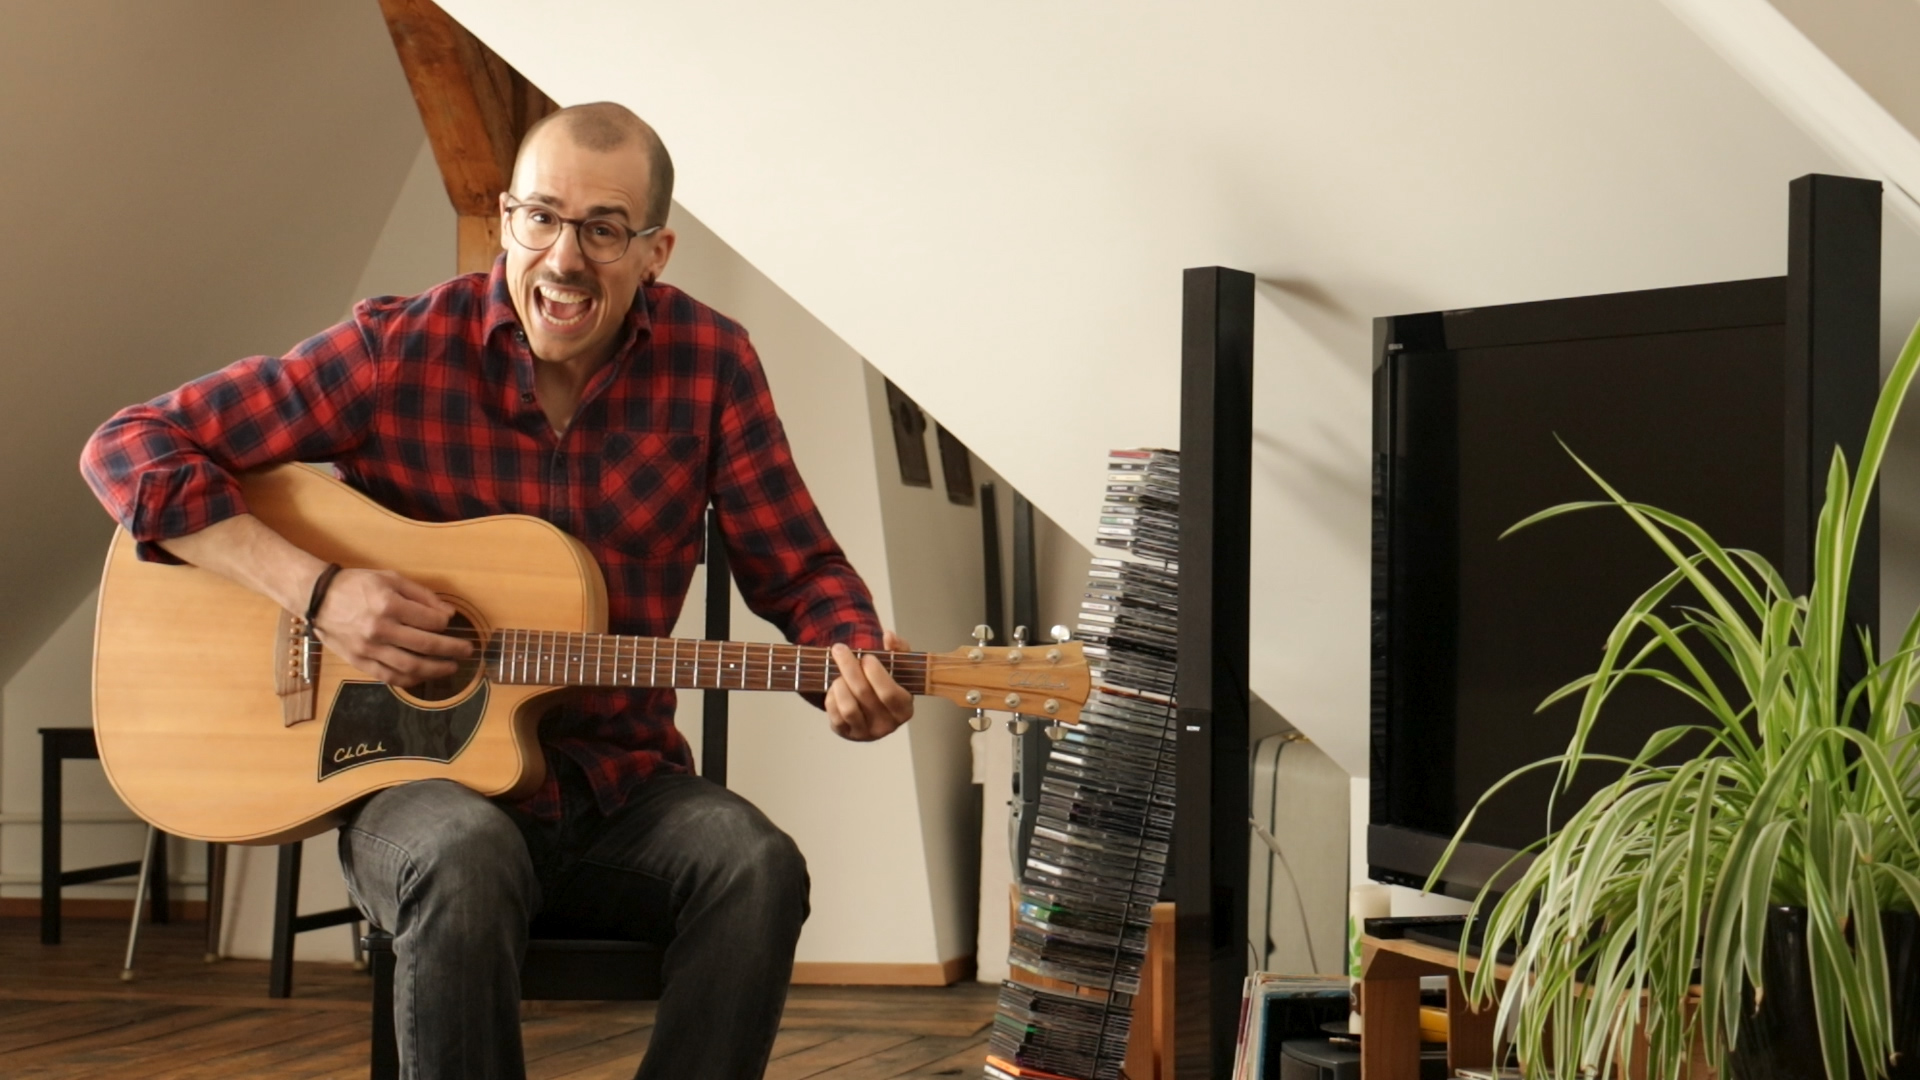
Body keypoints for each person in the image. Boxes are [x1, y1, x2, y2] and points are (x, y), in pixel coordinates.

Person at [79, 101, 914, 1080]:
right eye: (541, 217)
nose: (564, 258)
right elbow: (127, 448)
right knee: (466, 852)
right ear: (506, 218)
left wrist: (850, 655)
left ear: (656, 252)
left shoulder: (712, 365)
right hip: (414, 792)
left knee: (756, 868)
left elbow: (804, 570)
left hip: (621, 789)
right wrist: (320, 590)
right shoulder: (398, 349)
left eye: (604, 230)